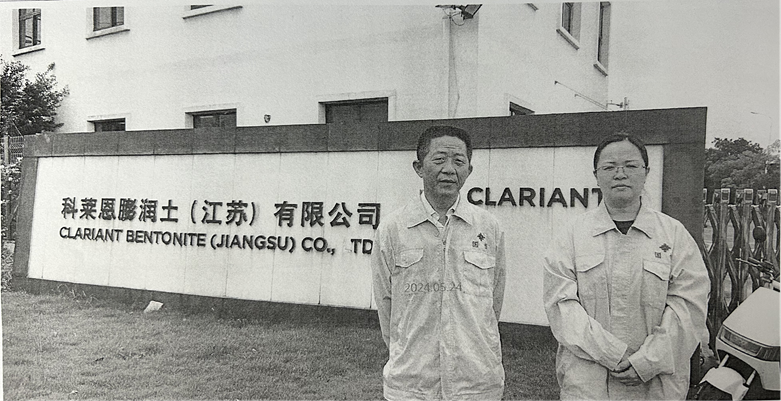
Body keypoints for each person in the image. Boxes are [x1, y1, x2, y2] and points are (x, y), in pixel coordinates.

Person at [543, 133, 709, 401]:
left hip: (656, 387)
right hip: (588, 386)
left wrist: (647, 362)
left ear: (646, 172)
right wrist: (613, 354)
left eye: (630, 165)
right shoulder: (572, 236)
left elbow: (689, 307)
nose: (620, 174)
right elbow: (561, 307)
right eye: (609, 167)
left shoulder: (673, 235)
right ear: (596, 176)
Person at [372, 125, 507, 401]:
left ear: (469, 170)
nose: (449, 169)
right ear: (419, 168)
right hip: (411, 384)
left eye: (458, 161)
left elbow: (494, 301)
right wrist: (406, 351)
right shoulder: (393, 229)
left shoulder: (489, 228)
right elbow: (386, 305)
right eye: (439, 159)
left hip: (477, 383)